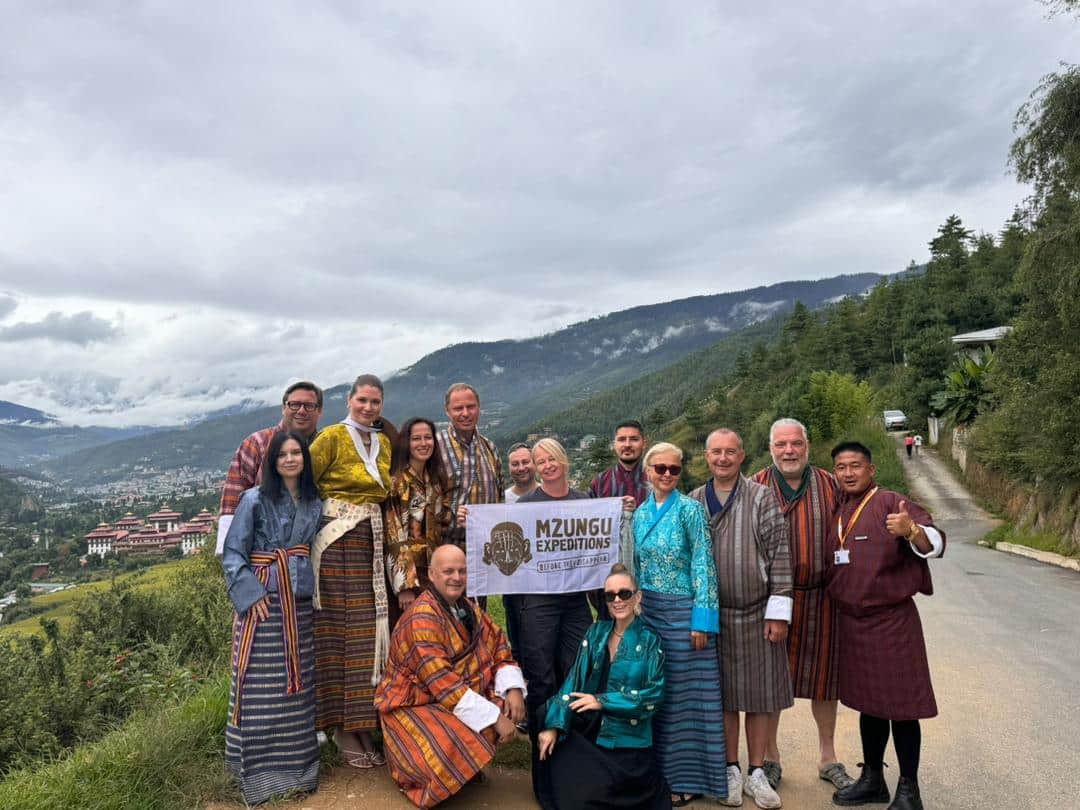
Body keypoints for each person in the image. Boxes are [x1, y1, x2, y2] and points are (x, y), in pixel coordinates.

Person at [826, 441, 945, 810]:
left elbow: (936, 543)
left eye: (856, 466)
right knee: (869, 704)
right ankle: (873, 779)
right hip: (854, 625)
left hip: (892, 623)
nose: (848, 473)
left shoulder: (892, 502)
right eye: (841, 467)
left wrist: (911, 532)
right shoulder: (839, 509)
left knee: (903, 706)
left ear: (871, 470)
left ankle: (909, 789)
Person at [374, 544, 526, 809]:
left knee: (502, 698)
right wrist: (495, 719)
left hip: (449, 695)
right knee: (449, 739)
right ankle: (425, 778)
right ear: (431, 575)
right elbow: (444, 685)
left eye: (462, 571)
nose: (456, 577)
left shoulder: (468, 608)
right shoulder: (422, 618)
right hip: (410, 704)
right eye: (448, 571)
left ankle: (465, 767)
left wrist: (513, 689)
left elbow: (499, 645)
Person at [689, 429, 792, 810]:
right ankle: (730, 769)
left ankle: (757, 771)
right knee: (726, 698)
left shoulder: (762, 498)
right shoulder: (694, 501)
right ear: (706, 456)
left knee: (761, 697)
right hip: (714, 617)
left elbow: (781, 556)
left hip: (756, 611)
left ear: (742, 456)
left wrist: (778, 613)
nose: (723, 458)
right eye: (716, 451)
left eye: (730, 452)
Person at [751, 419, 853, 793]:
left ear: (807, 446)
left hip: (823, 594)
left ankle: (828, 758)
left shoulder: (831, 484)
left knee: (827, 681)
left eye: (796, 443)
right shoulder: (755, 486)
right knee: (772, 681)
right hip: (772, 601)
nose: (789, 451)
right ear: (771, 448)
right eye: (781, 444)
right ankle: (770, 759)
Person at [222, 430, 323, 804]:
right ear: (273, 461)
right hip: (263, 596)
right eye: (284, 454)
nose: (291, 459)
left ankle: (300, 771)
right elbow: (233, 552)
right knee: (258, 681)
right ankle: (256, 774)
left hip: (296, 600)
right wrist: (250, 596)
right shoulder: (254, 498)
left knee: (298, 680)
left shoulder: (314, 502)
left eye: (297, 453)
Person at [633, 441, 727, 807]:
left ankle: (690, 779)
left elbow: (703, 563)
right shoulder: (640, 514)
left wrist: (702, 620)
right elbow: (638, 565)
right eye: (661, 469)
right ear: (648, 472)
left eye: (675, 469)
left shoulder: (690, 510)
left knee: (688, 698)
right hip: (650, 611)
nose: (668, 475)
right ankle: (658, 774)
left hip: (685, 613)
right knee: (658, 696)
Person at [308, 374, 393, 768]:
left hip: (369, 544)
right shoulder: (329, 438)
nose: (369, 408)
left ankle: (361, 723)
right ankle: (340, 727)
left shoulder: (383, 443)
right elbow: (305, 487)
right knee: (335, 632)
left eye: (375, 402)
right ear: (349, 399)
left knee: (367, 634)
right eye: (362, 400)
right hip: (336, 542)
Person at [537, 563, 671, 810]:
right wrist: (554, 726)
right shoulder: (596, 632)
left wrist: (602, 701)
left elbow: (653, 697)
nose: (617, 600)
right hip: (591, 728)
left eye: (624, 593)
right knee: (544, 715)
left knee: (587, 798)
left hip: (626, 740)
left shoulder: (650, 640)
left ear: (638, 596)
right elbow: (573, 682)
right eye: (610, 595)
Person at [217, 381, 323, 553]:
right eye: (294, 404)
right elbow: (233, 501)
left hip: (311, 554)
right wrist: (232, 556)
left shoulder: (327, 446)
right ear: (283, 408)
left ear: (319, 411)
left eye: (309, 406)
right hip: (262, 557)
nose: (301, 411)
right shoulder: (257, 443)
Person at [385, 417, 453, 615]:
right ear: (406, 442)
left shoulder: (435, 481)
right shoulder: (396, 482)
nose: (423, 443)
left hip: (432, 572)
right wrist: (404, 585)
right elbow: (393, 533)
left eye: (428, 438)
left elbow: (442, 523)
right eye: (416, 439)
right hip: (409, 573)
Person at [437, 383, 505, 539]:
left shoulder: (489, 448)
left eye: (471, 407)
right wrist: (452, 515)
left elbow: (500, 498)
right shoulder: (435, 447)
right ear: (447, 412)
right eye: (458, 408)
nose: (465, 413)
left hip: (487, 544)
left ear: (479, 408)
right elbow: (425, 500)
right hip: (448, 547)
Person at [501, 441, 537, 662]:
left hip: (543, 579)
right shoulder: (501, 499)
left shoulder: (549, 494)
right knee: (516, 636)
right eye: (516, 464)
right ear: (509, 467)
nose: (521, 467)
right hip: (513, 582)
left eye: (526, 462)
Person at [589, 419, 650, 507]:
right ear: (614, 444)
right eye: (622, 439)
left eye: (634, 439)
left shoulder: (657, 478)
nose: (627, 445)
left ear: (644, 444)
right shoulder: (600, 482)